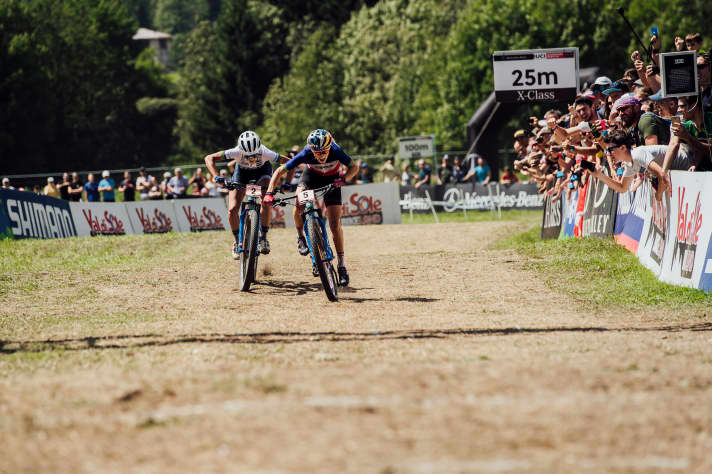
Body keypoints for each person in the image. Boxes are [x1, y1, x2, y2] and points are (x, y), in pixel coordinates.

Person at [264, 129, 358, 286]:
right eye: (317, 152)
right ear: (311, 149)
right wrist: (269, 193)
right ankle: (300, 235)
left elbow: (354, 167)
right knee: (299, 203)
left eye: (324, 152)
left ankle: (341, 265)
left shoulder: (336, 150)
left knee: (335, 224)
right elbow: (280, 171)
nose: (321, 155)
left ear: (330, 147)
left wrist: (344, 179)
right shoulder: (306, 152)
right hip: (311, 177)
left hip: (332, 180)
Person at [205, 130, 289, 258]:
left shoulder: (265, 152)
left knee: (266, 202)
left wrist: (285, 182)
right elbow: (209, 158)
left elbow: (290, 162)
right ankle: (236, 241)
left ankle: (263, 238)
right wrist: (216, 177)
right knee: (232, 209)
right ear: (241, 151)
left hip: (262, 172)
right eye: (248, 156)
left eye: (254, 155)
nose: (252, 159)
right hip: (242, 174)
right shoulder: (235, 152)